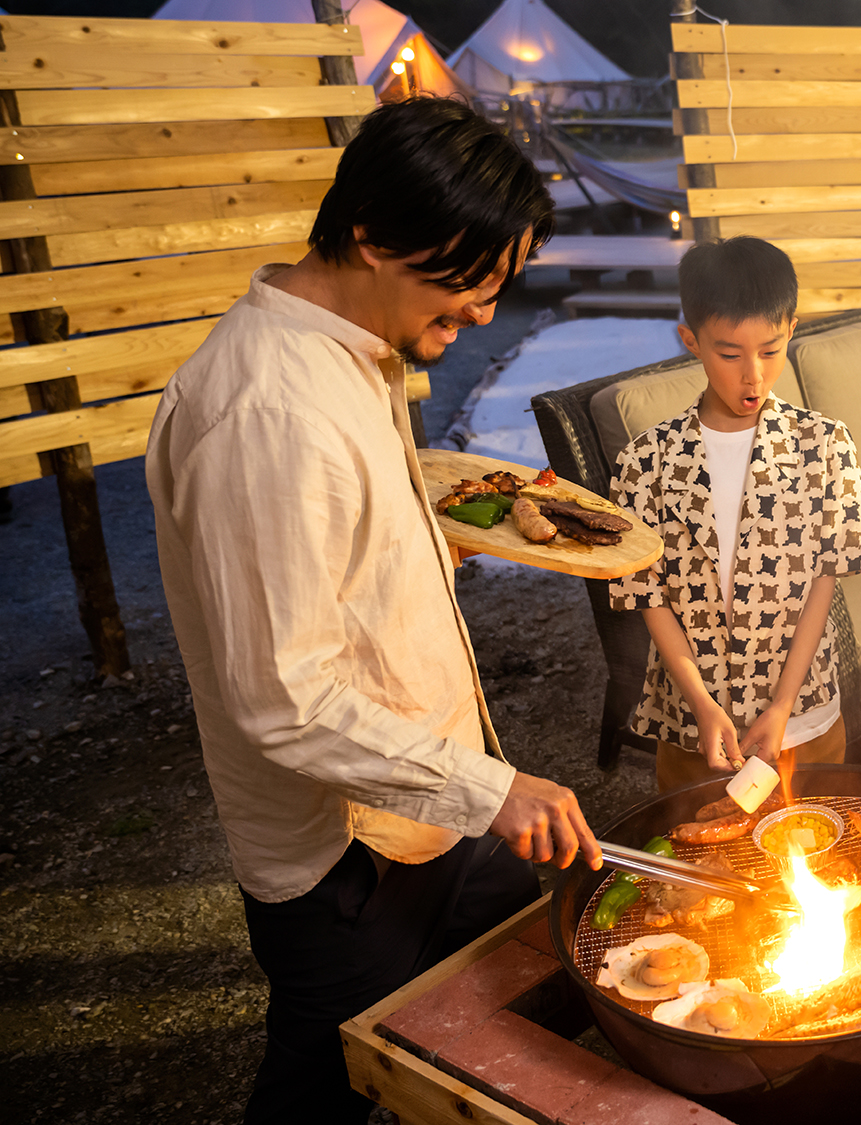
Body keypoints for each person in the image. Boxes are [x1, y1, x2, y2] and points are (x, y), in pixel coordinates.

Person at [145, 97, 601, 1125]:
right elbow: (285, 701)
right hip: (347, 855)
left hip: (428, 806)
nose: (488, 309)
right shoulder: (269, 411)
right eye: (471, 278)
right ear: (369, 234)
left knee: (526, 981)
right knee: (325, 1084)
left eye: (500, 282)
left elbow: (337, 555)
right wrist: (492, 792)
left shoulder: (353, 350)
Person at [608, 236, 861, 792]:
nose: (752, 375)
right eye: (729, 354)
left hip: (804, 716)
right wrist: (704, 706)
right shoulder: (646, 459)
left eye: (770, 350)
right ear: (691, 341)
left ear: (792, 331)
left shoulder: (825, 445)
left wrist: (781, 706)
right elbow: (648, 595)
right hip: (692, 723)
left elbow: (824, 584)